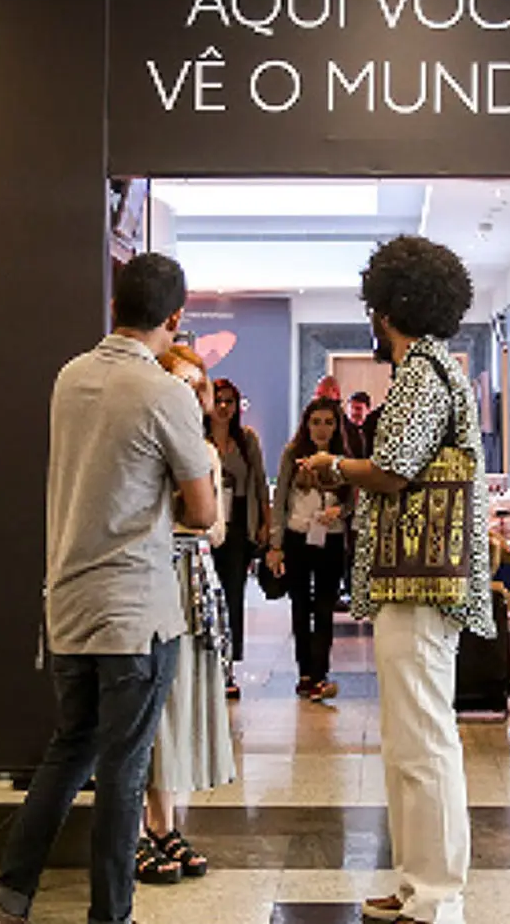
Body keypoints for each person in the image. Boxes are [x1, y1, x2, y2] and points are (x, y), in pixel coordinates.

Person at [0, 252, 216, 924]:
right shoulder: (165, 393)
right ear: (175, 317)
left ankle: (8, 897)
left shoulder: (69, 377)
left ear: (113, 307)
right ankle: (111, 915)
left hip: (69, 603)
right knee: (125, 773)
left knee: (68, 751)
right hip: (135, 610)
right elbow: (202, 512)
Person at [298, 235, 492, 924]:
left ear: (386, 308)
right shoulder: (441, 369)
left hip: (418, 584)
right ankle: (415, 881)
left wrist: (332, 465)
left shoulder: (419, 373)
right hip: (422, 582)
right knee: (411, 735)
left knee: (422, 736)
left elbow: (393, 469)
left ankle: (435, 891)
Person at [133, 344, 237, 886]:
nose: (192, 395)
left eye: (199, 386)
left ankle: (164, 823)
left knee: (180, 702)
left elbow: (214, 530)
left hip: (194, 581)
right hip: (152, 577)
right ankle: (138, 828)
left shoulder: (206, 452)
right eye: (181, 383)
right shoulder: (147, 446)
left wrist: (195, 513)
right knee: (149, 703)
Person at [267, 397, 353, 702]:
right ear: (306, 425)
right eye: (316, 422)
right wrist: (275, 544)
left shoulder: (344, 458)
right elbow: (280, 500)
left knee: (325, 608)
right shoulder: (293, 454)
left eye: (328, 422)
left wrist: (340, 511)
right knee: (301, 606)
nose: (322, 429)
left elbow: (354, 498)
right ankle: (305, 673)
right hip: (298, 536)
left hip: (331, 537)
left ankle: (320, 674)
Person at [207, 378, 270, 699]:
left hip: (238, 527)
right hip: (206, 525)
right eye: (218, 400)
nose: (223, 407)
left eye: (229, 401)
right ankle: (205, 667)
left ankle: (228, 666)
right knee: (205, 596)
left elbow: (260, 482)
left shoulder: (246, 440)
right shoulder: (197, 439)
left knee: (232, 596)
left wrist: (266, 524)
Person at [343, 390, 374, 460]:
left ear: (368, 410)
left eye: (358, 409)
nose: (353, 412)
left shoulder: (373, 429)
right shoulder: (341, 430)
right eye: (351, 408)